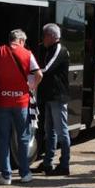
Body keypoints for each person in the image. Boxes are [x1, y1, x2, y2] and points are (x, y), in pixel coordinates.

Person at [0, 29, 43, 186]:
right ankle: (25, 173)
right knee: (23, 138)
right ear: (20, 40)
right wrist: (31, 86)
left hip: (3, 102)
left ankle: (6, 176)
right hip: (21, 103)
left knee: (3, 139)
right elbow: (39, 74)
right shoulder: (27, 53)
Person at [33, 23, 71, 176]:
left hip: (58, 96)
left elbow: (46, 68)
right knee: (50, 131)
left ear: (51, 36)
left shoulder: (59, 50)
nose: (43, 39)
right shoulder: (48, 49)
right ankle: (48, 163)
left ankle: (64, 164)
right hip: (49, 96)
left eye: (44, 36)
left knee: (61, 131)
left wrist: (30, 72)